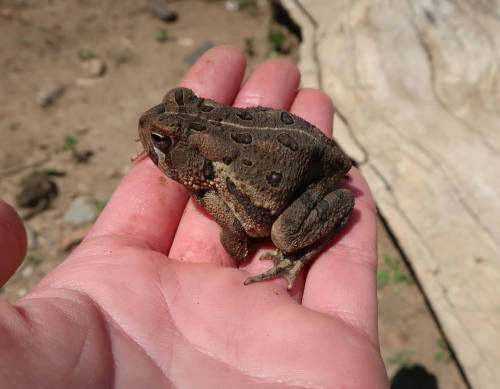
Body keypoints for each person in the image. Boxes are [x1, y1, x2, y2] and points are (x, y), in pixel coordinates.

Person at [0, 46, 388, 388]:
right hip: (299, 148)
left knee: (285, 235)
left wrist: (259, 253)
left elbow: (236, 234)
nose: (149, 129)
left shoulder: (211, 185)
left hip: (302, 185)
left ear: (194, 161)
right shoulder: (204, 164)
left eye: (163, 142)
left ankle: (297, 252)